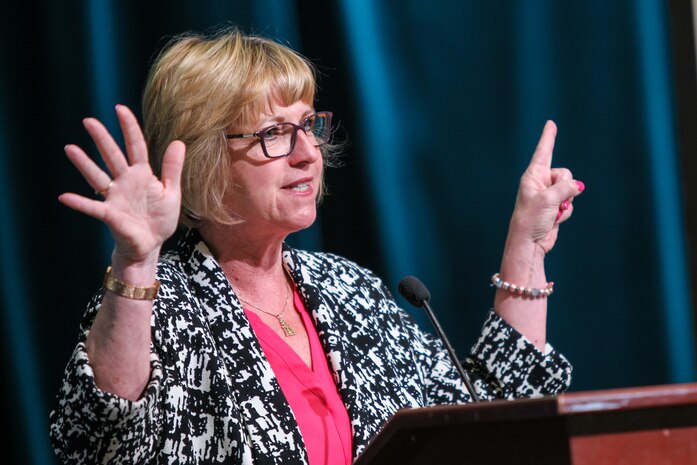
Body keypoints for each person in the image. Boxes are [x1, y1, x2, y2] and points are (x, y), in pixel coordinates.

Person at [49, 26, 584, 465]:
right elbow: (101, 439)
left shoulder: (349, 291)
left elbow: (482, 424)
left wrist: (528, 246)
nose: (308, 153)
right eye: (274, 134)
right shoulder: (156, 303)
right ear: (207, 155)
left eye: (309, 126)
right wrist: (136, 261)